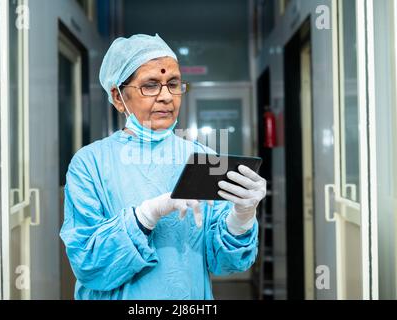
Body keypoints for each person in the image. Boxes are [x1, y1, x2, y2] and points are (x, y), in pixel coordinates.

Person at [59, 34, 267, 300]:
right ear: (118, 97)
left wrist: (242, 216)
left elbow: (227, 263)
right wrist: (145, 215)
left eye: (173, 83)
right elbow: (89, 265)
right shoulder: (90, 164)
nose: (167, 97)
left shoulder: (204, 159)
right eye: (150, 85)